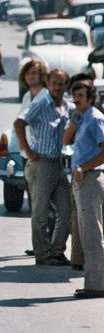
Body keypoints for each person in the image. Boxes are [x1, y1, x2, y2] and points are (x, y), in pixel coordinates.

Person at [14, 69, 72, 265]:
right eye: (54, 83)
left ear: (65, 85)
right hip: (40, 164)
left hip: (57, 164)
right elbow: (19, 122)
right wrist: (27, 151)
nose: (57, 87)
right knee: (40, 213)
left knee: (67, 210)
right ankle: (43, 254)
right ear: (48, 83)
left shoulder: (65, 105)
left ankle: (57, 251)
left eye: (61, 83)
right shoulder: (41, 102)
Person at [64, 80, 104, 298]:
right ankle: (95, 282)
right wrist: (73, 121)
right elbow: (65, 139)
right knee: (87, 234)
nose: (76, 99)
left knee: (93, 235)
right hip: (82, 178)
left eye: (80, 95)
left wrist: (83, 167)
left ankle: (97, 286)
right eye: (74, 95)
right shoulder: (82, 119)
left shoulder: (96, 119)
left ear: (90, 98)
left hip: (91, 177)